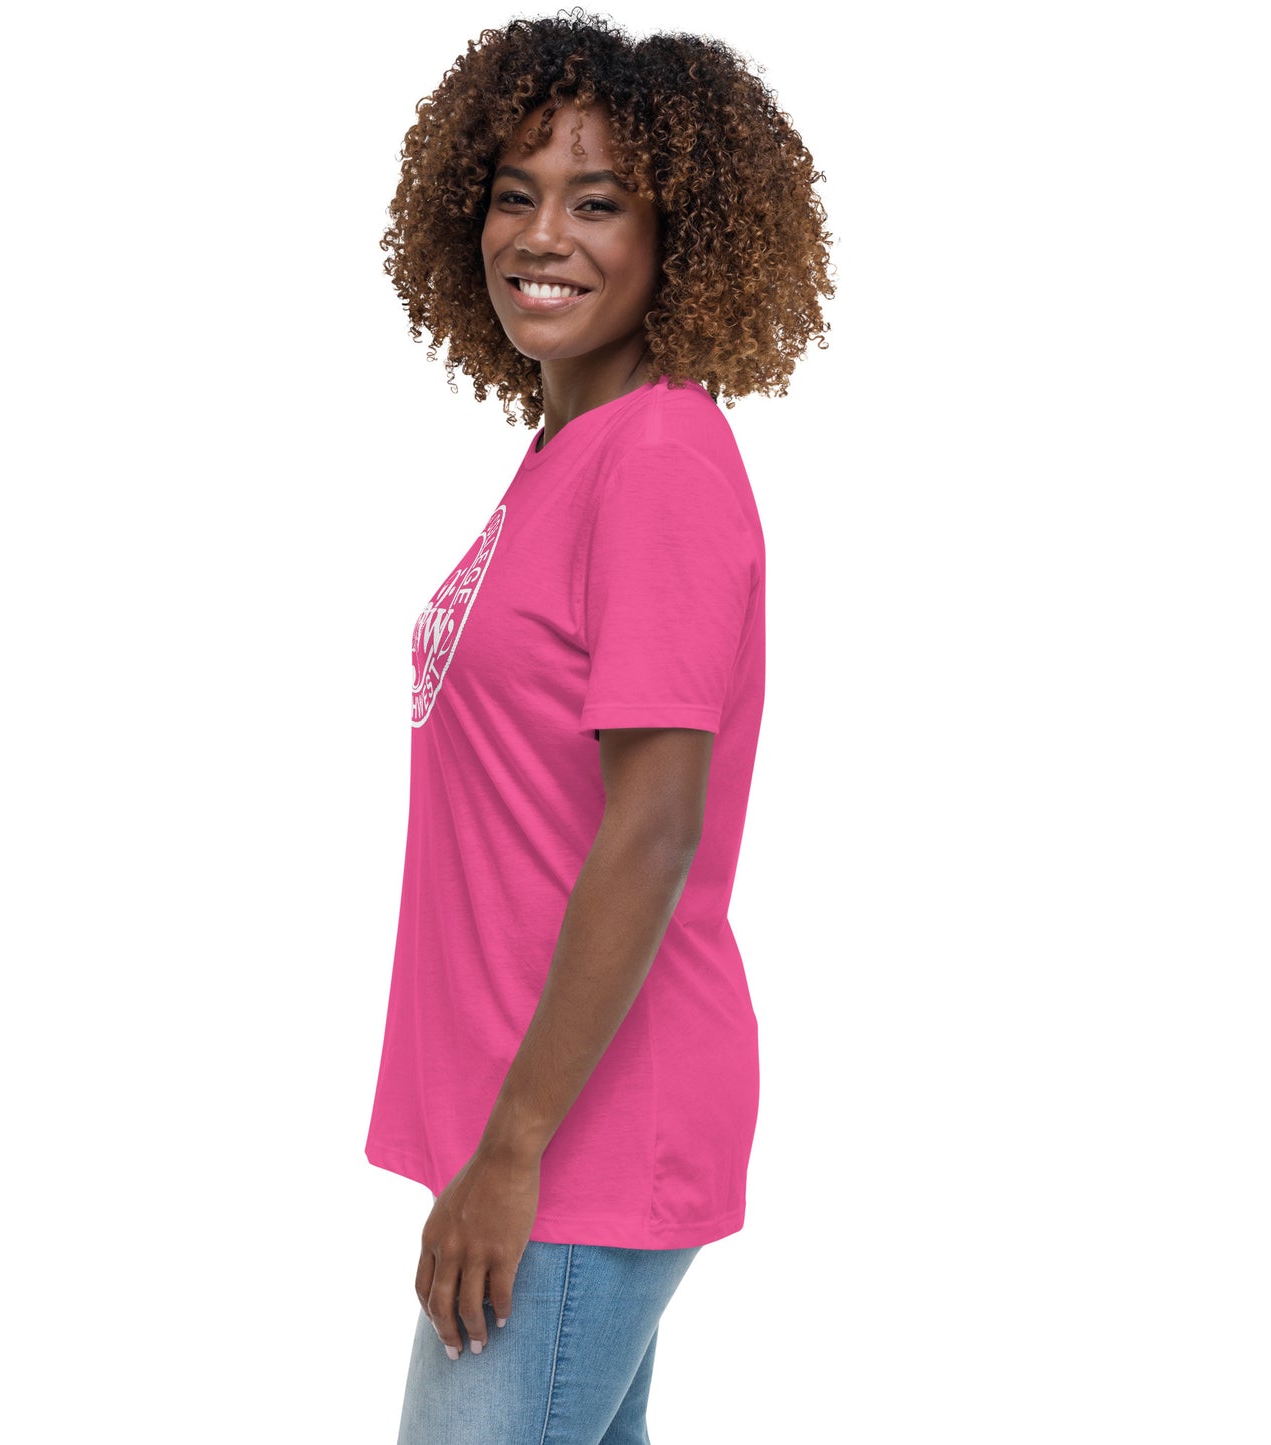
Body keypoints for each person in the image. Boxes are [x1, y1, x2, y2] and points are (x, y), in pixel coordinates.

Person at [364, 10, 834, 1440]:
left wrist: (512, 1153)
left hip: (580, 1144)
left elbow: (653, 827)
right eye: (514, 194)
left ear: (679, 234)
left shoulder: (657, 459)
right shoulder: (572, 453)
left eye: (597, 202)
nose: (541, 236)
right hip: (538, 1130)